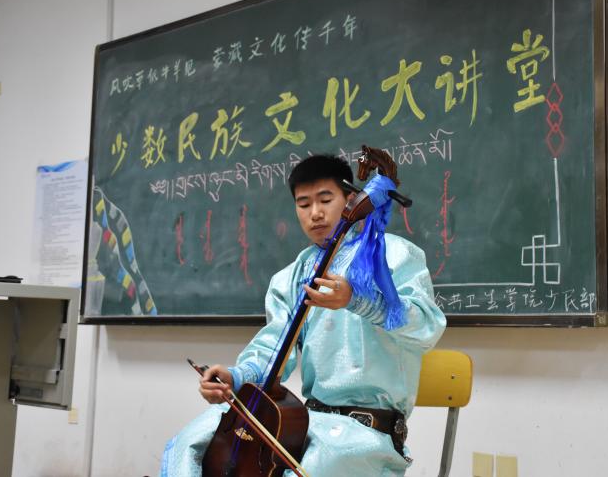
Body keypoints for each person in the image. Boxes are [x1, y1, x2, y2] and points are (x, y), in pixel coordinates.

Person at [161, 154, 446, 476]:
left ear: (350, 199)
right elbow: (274, 347)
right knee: (195, 439)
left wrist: (359, 300)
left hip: (366, 433)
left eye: (325, 199)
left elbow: (427, 328)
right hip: (309, 423)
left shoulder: (395, 254)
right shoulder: (292, 276)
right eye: (304, 204)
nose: (315, 213)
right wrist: (236, 377)